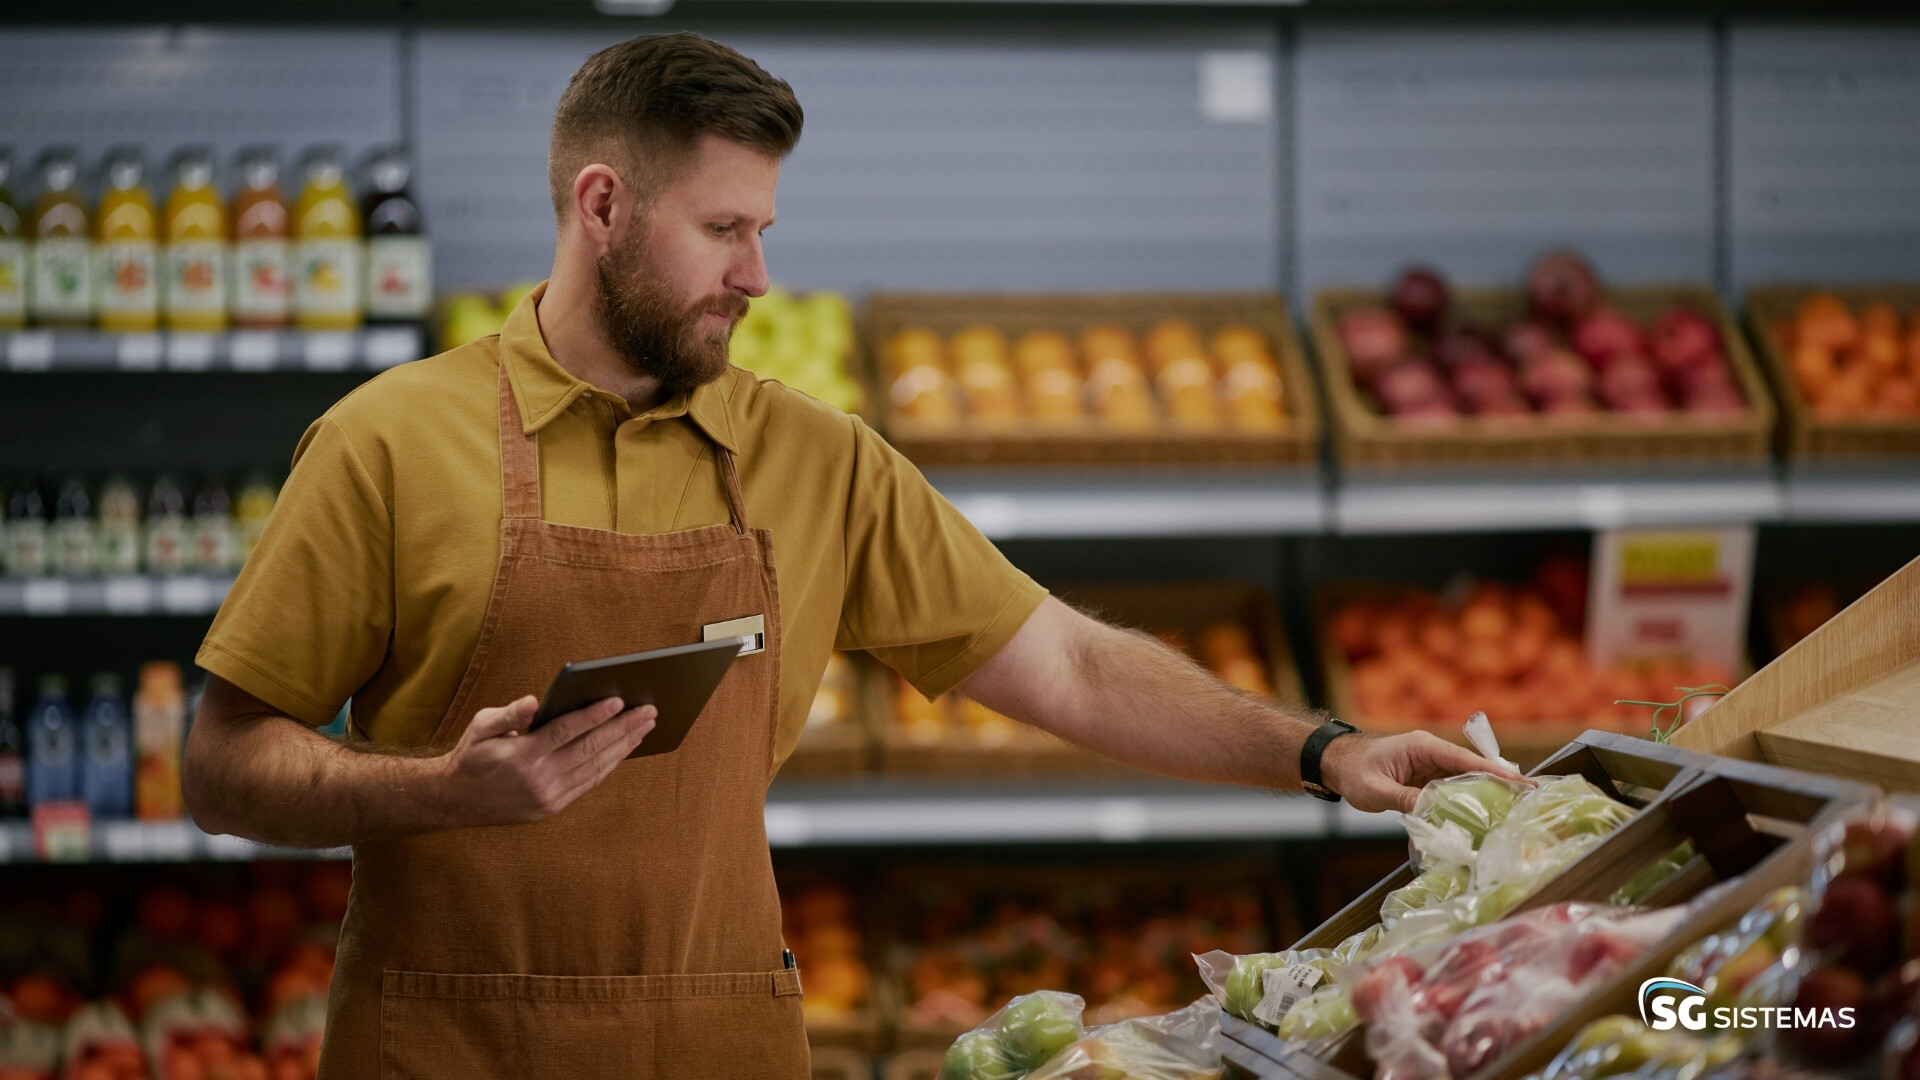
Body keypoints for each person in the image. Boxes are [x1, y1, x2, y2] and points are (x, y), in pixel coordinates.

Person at [182, 32, 1521, 1080]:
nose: (757, 276)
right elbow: (222, 766)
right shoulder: (388, 444)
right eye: (722, 229)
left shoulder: (814, 459)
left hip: (720, 1047)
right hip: (444, 1051)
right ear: (602, 205)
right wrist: (440, 788)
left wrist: (1323, 752)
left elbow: (1068, 665)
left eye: (765, 231)